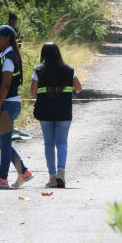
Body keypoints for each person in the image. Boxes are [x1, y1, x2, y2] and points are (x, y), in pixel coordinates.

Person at [30, 42, 82, 188]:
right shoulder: (69, 70)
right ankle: (61, 172)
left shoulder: (38, 70)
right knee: (62, 142)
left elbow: (33, 92)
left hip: (45, 111)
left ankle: (52, 177)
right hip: (63, 111)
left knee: (48, 143)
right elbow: (78, 87)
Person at [0, 24, 33, 188]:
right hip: (6, 103)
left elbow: (5, 86)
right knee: (2, 142)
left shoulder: (8, 58)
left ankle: (2, 178)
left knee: (4, 143)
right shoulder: (3, 56)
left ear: (7, 39)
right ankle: (24, 172)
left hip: (7, 103)